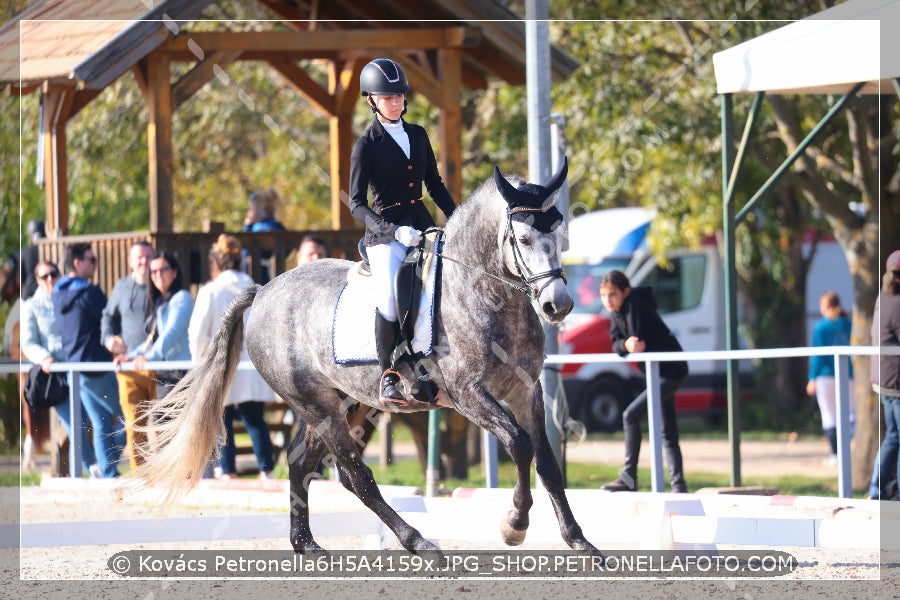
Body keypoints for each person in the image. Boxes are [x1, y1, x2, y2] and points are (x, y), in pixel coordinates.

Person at [349, 57, 456, 405]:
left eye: (399, 97)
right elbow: (356, 204)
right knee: (391, 300)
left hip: (422, 222)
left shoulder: (418, 134)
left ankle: (426, 367)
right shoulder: (366, 145)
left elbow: (435, 185)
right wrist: (392, 232)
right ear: (372, 101)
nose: (395, 102)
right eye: (387, 97)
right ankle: (388, 375)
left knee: (439, 290)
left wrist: (457, 219)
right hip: (385, 233)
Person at [189, 235, 275, 479]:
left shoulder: (211, 292)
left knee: (222, 421)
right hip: (251, 362)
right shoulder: (255, 290)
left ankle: (228, 473)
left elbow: (197, 333)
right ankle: (266, 472)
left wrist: (199, 362)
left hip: (222, 362)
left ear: (215, 262)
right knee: (255, 420)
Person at [598, 270, 689, 493]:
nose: (608, 300)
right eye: (604, 295)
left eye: (613, 295)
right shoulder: (617, 312)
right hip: (656, 373)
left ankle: (629, 479)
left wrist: (628, 344)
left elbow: (636, 340)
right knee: (668, 431)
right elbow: (617, 344)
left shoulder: (635, 305)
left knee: (630, 415)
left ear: (626, 292)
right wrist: (625, 345)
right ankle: (679, 486)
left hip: (671, 371)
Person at [52, 243, 125, 478]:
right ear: (77, 263)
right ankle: (109, 466)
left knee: (102, 424)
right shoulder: (88, 292)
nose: (95, 265)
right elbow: (111, 321)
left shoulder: (57, 294)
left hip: (76, 371)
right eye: (92, 260)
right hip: (97, 370)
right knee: (131, 416)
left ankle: (108, 474)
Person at [21, 260, 99, 476]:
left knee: (90, 421)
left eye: (53, 274)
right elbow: (28, 343)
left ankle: (79, 474)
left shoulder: (69, 297)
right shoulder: (32, 306)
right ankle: (93, 471)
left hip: (82, 368)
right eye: (43, 276)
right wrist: (44, 358)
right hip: (55, 375)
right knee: (76, 426)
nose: (49, 279)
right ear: (37, 280)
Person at [101, 240, 156, 470]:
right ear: (130, 261)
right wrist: (109, 339)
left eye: (147, 256)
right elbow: (108, 317)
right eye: (139, 257)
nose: (144, 261)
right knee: (134, 426)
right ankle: (141, 477)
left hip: (159, 365)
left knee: (162, 425)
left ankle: (166, 477)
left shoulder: (161, 284)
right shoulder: (121, 287)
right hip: (129, 368)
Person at [114, 251, 193, 399]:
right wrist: (130, 357)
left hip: (183, 374)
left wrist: (150, 357)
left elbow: (172, 333)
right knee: (160, 421)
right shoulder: (160, 303)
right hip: (164, 374)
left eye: (163, 269)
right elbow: (152, 340)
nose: (158, 275)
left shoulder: (183, 298)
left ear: (174, 272)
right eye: (154, 271)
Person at [806, 290, 856, 463]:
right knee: (850, 413)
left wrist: (812, 377)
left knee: (830, 416)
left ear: (826, 306)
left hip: (826, 376)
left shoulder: (821, 327)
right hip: (847, 374)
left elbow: (817, 356)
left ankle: (836, 454)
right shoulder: (849, 324)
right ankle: (849, 449)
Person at [868, 250, 900, 500]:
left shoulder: (883, 296)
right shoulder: (898, 301)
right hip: (896, 380)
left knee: (893, 435)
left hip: (883, 378)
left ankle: (876, 489)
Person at [243, 187, 286, 284]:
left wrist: (247, 226)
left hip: (262, 269)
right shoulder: (256, 226)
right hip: (252, 269)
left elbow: (246, 249)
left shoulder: (269, 226)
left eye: (252, 210)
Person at [20, 218, 46, 301]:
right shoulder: (50, 250)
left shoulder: (24, 252)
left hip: (28, 295)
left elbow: (21, 278)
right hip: (46, 294)